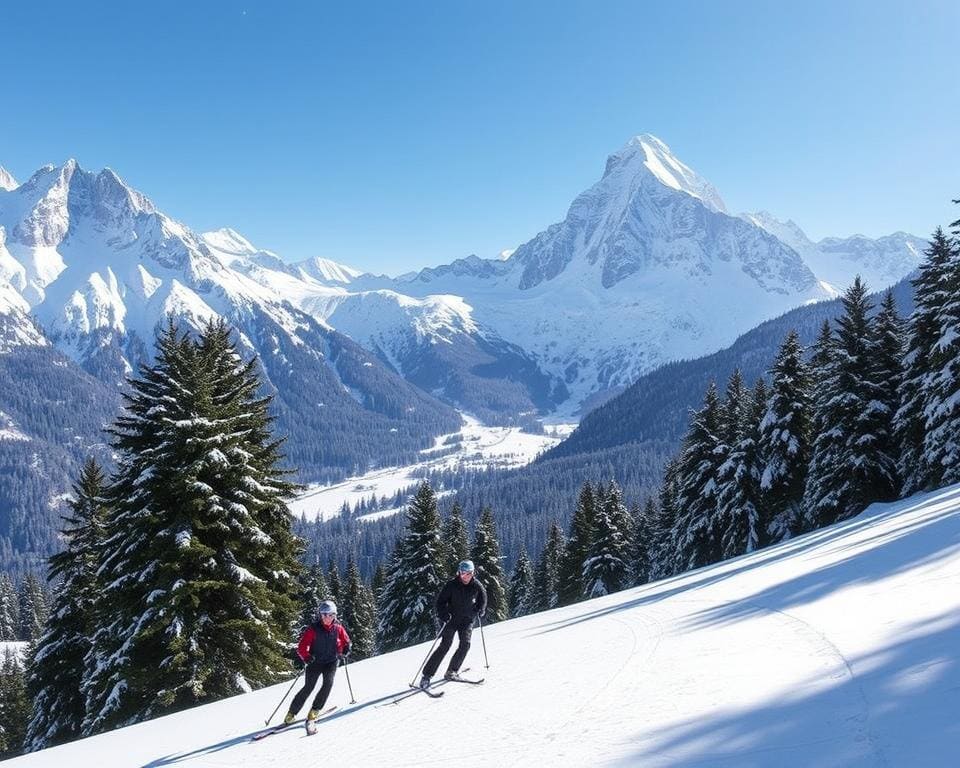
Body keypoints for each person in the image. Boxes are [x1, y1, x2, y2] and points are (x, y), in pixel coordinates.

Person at [419, 559, 487, 688]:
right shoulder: (451, 585)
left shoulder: (477, 585)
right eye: (462, 573)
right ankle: (427, 675)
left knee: (465, 644)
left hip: (467, 620)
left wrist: (480, 609)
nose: (465, 576)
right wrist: (443, 614)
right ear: (459, 572)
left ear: (473, 573)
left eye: (468, 573)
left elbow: (483, 598)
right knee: (445, 645)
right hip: (451, 620)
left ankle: (452, 671)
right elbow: (440, 602)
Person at [285, 600, 351, 723]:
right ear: (320, 615)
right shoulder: (313, 629)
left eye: (330, 614)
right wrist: (306, 657)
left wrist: (346, 649)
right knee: (309, 687)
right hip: (315, 662)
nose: (326, 617)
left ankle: (315, 710)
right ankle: (291, 713)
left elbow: (346, 641)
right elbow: (302, 646)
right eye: (324, 614)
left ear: (334, 615)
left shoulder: (338, 628)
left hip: (331, 662)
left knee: (328, 684)